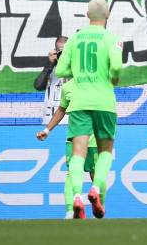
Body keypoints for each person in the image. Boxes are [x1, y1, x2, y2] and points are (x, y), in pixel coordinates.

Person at [55, 0, 122, 219]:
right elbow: (117, 65)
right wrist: (113, 77)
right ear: (108, 15)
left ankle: (76, 196)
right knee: (105, 151)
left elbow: (62, 70)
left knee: (77, 153)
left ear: (87, 14)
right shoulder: (111, 37)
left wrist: (79, 73)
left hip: (80, 101)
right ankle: (95, 189)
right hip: (103, 101)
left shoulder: (74, 38)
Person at [36, 79, 99, 219]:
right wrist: (47, 130)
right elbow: (61, 110)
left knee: (96, 174)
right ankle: (71, 211)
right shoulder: (67, 87)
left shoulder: (97, 82)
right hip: (74, 138)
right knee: (71, 173)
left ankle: (97, 210)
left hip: (94, 138)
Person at [34, 36, 68, 125]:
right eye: (59, 51)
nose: (61, 54)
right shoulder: (50, 67)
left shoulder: (75, 65)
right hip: (49, 119)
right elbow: (38, 86)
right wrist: (49, 65)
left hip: (69, 118)